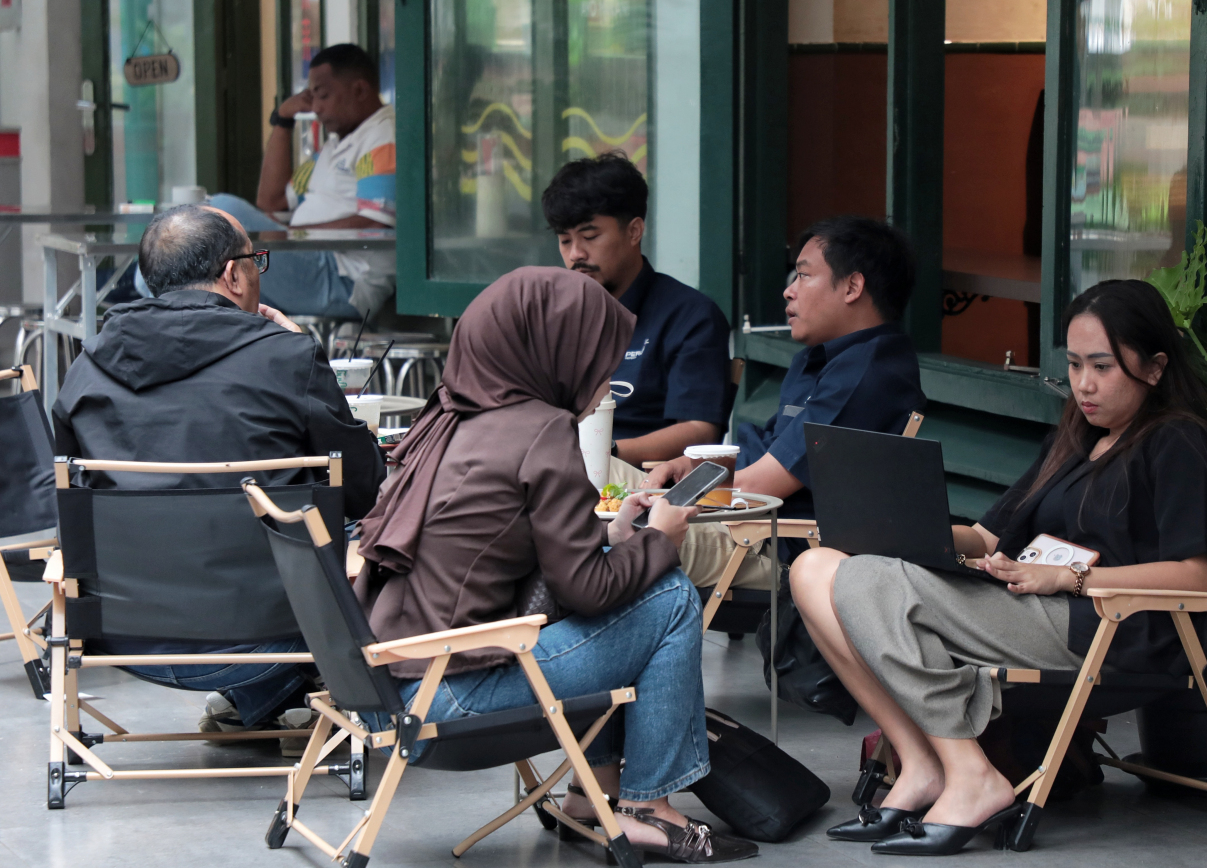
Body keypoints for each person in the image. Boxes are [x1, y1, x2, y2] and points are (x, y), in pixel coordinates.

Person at [789, 279, 1207, 855]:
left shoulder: (1178, 442)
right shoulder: (1077, 437)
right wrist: (886, 529)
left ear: (1154, 367)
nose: (1084, 384)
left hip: (1107, 629)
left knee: (867, 580)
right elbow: (986, 537)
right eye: (1074, 365)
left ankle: (971, 776)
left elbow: (1197, 576)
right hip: (1032, 605)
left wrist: (1071, 579)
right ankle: (922, 763)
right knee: (814, 567)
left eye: (1102, 367)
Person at [353, 267, 757, 863]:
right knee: (669, 596)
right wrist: (661, 537)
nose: (605, 380)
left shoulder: (448, 416)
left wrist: (616, 534)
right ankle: (649, 807)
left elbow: (512, 548)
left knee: (630, 583)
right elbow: (589, 590)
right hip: (450, 698)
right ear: (553, 352)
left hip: (384, 687)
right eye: (597, 359)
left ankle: (592, 794)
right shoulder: (541, 430)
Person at [53, 204, 387, 744]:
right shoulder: (285, 358)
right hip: (272, 636)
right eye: (256, 261)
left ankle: (259, 702)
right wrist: (303, 351)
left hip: (122, 637)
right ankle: (305, 700)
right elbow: (366, 491)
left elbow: (70, 504)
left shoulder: (86, 366)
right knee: (364, 531)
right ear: (233, 274)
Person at [644, 215, 925, 590]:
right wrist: (688, 467)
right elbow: (766, 454)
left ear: (852, 287)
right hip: (742, 524)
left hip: (772, 547)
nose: (789, 291)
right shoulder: (821, 357)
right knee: (585, 501)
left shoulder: (867, 374)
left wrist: (665, 498)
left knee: (600, 530)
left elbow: (758, 486)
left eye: (804, 276)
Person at [173, 43, 397, 319]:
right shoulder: (334, 147)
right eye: (311, 97)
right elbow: (272, 201)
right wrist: (283, 120)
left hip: (344, 278)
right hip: (313, 262)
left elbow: (375, 221)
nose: (315, 108)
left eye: (323, 95)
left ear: (360, 90)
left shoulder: (382, 136)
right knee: (202, 282)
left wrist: (293, 234)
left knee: (221, 208)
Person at [543, 152, 732, 468]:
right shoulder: (555, 318)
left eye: (590, 236)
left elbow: (699, 430)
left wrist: (602, 453)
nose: (575, 254)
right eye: (564, 241)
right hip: (553, 471)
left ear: (634, 231)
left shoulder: (690, 317)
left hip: (640, 480)